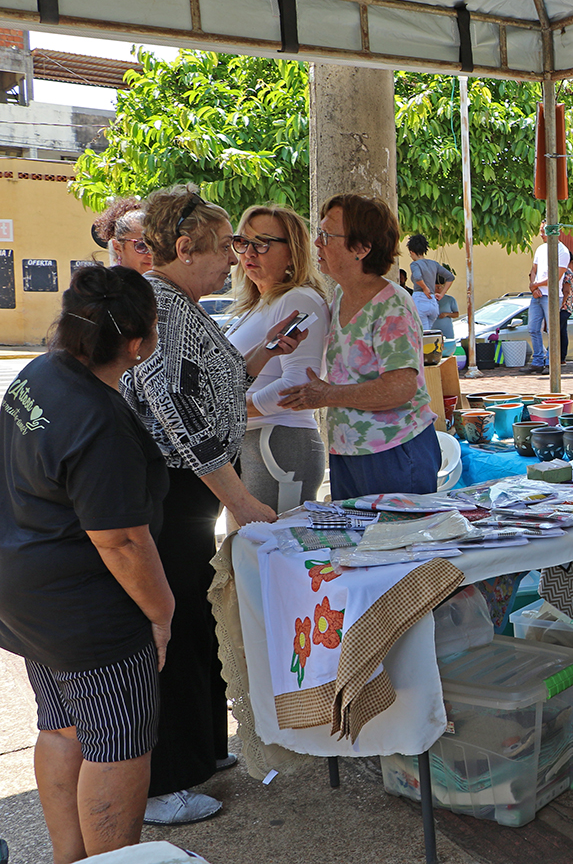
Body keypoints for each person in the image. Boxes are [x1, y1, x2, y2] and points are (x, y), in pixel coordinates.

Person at [123, 185, 306, 825]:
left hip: (185, 493)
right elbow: (170, 410)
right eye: (224, 246)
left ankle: (201, 749)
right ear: (183, 247)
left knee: (197, 618)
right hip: (172, 493)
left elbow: (213, 378)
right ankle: (164, 780)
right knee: (170, 625)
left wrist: (264, 353)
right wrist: (236, 494)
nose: (234, 259)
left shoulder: (181, 304)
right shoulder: (162, 307)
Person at [0, 264, 172, 861]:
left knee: (63, 725)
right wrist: (161, 611)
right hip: (85, 608)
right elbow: (121, 541)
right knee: (117, 744)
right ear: (135, 344)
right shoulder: (99, 420)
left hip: (28, 591)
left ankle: (69, 858)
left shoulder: (41, 372)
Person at [279, 194, 440, 500]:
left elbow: (400, 388)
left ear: (361, 249)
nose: (317, 243)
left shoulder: (392, 304)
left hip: (393, 451)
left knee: (395, 547)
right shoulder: (341, 294)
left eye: (327, 235)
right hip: (349, 451)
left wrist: (328, 395)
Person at [225, 204, 331, 511]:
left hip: (278, 444)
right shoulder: (259, 304)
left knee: (274, 553)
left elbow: (299, 385)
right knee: (248, 553)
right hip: (255, 444)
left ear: (292, 251)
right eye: (242, 242)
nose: (248, 253)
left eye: (262, 243)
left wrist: (230, 410)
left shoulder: (298, 298)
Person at [526, 220, 570, 374]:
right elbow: (533, 269)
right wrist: (533, 287)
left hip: (551, 295)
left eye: (544, 230)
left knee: (553, 330)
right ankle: (538, 361)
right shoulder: (540, 249)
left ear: (554, 231)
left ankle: (551, 362)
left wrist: (536, 285)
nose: (541, 234)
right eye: (540, 230)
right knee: (532, 328)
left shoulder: (562, 251)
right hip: (537, 294)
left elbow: (555, 277)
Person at [406, 233, 454, 332]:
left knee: (421, 333)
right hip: (433, 302)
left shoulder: (415, 264)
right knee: (428, 332)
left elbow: (417, 277)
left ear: (412, 252)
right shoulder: (433, 264)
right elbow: (450, 277)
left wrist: (424, 287)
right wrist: (441, 294)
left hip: (420, 299)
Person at [93, 198, 153, 275]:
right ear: (118, 247)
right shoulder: (104, 285)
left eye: (158, 246)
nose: (151, 254)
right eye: (141, 245)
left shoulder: (168, 283)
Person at [433, 273, 459, 356]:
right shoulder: (429, 299)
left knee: (447, 351)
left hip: (447, 331)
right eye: (436, 287)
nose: (439, 289)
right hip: (433, 330)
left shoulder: (450, 299)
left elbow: (456, 314)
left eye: (441, 287)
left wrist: (447, 314)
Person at [558, 254, 573, 364]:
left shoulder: (566, 272)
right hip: (565, 308)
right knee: (562, 332)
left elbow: (566, 291)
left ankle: (559, 357)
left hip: (563, 308)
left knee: (557, 331)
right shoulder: (564, 271)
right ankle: (562, 358)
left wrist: (560, 305)